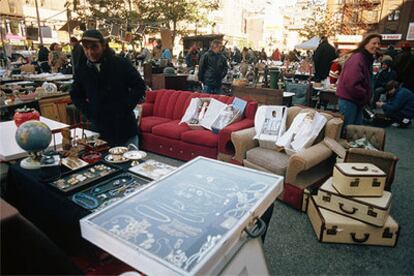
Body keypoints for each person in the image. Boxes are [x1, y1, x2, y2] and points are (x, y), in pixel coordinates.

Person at [70, 30, 146, 147]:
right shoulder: (82, 69)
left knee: (130, 163)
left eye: (94, 47)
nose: (90, 52)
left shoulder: (121, 63)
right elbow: (75, 95)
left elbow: (139, 86)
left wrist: (125, 107)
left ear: (103, 46)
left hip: (125, 128)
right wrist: (90, 112)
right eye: (86, 48)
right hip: (99, 130)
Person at [336, 33, 382, 131]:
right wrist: (365, 96)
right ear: (365, 43)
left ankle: (351, 146)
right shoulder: (358, 58)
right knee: (348, 131)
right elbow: (352, 83)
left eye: (378, 43)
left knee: (354, 130)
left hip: (355, 100)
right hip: (350, 101)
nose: (377, 46)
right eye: (374, 43)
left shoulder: (364, 58)